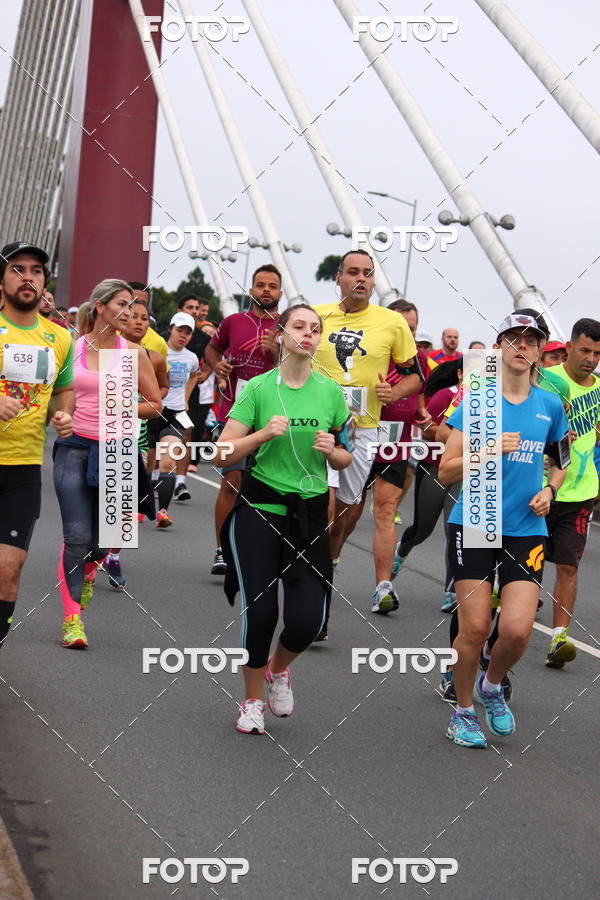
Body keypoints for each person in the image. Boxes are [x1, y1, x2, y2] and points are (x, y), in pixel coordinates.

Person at [216, 303, 352, 734]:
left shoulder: (331, 393)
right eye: (299, 326)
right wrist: (260, 435)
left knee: (308, 621)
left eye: (316, 329)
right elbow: (222, 453)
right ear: (280, 334)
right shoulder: (257, 389)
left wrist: (334, 451)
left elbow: (347, 457)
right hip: (260, 509)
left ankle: (279, 669)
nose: (308, 334)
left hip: (309, 516)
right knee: (260, 615)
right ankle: (252, 700)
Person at [439, 310, 569, 748]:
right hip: (476, 520)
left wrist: (550, 489)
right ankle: (461, 712)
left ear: (538, 352)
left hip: (526, 527)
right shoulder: (476, 399)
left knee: (516, 631)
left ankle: (491, 684)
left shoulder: (550, 404)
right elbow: (445, 470)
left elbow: (562, 462)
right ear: (499, 348)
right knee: (474, 627)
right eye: (513, 339)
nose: (521, 347)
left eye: (530, 341)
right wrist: (488, 450)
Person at [53, 279, 161, 648]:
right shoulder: (72, 347)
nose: (128, 312)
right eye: (121, 304)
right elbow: (58, 394)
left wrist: (122, 404)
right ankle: (72, 620)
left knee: (104, 543)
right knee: (77, 535)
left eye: (132, 306)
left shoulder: (135, 353)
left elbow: (155, 404)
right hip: (74, 445)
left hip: (117, 451)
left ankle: (86, 573)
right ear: (99, 306)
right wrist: (60, 415)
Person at [312, 250, 419, 615]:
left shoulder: (392, 323)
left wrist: (395, 392)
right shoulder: (317, 316)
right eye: (353, 272)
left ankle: (328, 564)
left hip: (362, 430)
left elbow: (414, 375)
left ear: (374, 282)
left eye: (368, 273)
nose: (361, 278)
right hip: (318, 426)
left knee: (345, 515)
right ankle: (313, 587)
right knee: (323, 507)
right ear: (338, 277)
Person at [0, 242, 74, 657]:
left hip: (23, 470)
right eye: (17, 269)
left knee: (9, 570)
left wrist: (62, 416)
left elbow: (63, 392)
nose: (28, 277)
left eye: (36, 271)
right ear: (2, 280)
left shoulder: (59, 338)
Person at [204, 264, 281, 575]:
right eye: (260, 285)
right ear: (251, 290)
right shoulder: (234, 321)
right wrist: (217, 365)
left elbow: (301, 367)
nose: (266, 290)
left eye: (272, 286)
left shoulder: (287, 326)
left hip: (273, 419)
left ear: (280, 292)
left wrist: (276, 353)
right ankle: (222, 550)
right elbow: (212, 348)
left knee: (267, 490)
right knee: (231, 482)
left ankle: (259, 550)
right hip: (235, 414)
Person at [360, 298, 429, 617]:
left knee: (386, 510)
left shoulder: (420, 360)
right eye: (403, 328)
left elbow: (421, 403)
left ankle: (382, 587)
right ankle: (327, 565)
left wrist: (426, 420)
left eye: (412, 329)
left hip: (394, 444)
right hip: (358, 437)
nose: (408, 334)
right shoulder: (368, 351)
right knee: (344, 515)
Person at [543, 318, 600, 668]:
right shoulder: (549, 381)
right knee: (528, 564)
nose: (591, 358)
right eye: (585, 350)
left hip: (581, 492)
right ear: (568, 349)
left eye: (597, 353)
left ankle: (558, 638)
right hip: (541, 490)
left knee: (568, 565)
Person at [392, 359, 463, 612]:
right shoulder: (446, 396)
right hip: (434, 467)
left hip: (462, 472)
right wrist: (450, 432)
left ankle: (451, 591)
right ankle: (401, 551)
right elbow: (426, 431)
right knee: (423, 529)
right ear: (459, 373)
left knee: (454, 531)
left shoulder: (488, 401)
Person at [148, 312, 199, 523]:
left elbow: (195, 375)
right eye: (180, 330)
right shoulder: (159, 350)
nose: (183, 335)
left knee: (168, 461)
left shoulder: (192, 358)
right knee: (146, 464)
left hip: (176, 414)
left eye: (188, 332)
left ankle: (162, 512)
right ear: (171, 329)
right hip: (152, 410)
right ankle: (139, 507)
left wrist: (186, 398)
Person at [176, 294, 211, 478]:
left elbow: (214, 355)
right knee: (160, 437)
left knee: (187, 433)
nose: (195, 311)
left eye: (197, 308)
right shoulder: (167, 337)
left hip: (192, 394)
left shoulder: (203, 338)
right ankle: (158, 473)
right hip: (167, 393)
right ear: (179, 311)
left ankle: (180, 480)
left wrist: (206, 373)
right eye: (190, 307)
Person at [129, 281, 168, 362]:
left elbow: (162, 373)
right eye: (133, 302)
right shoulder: (108, 335)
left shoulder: (159, 343)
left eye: (143, 303)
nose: (138, 306)